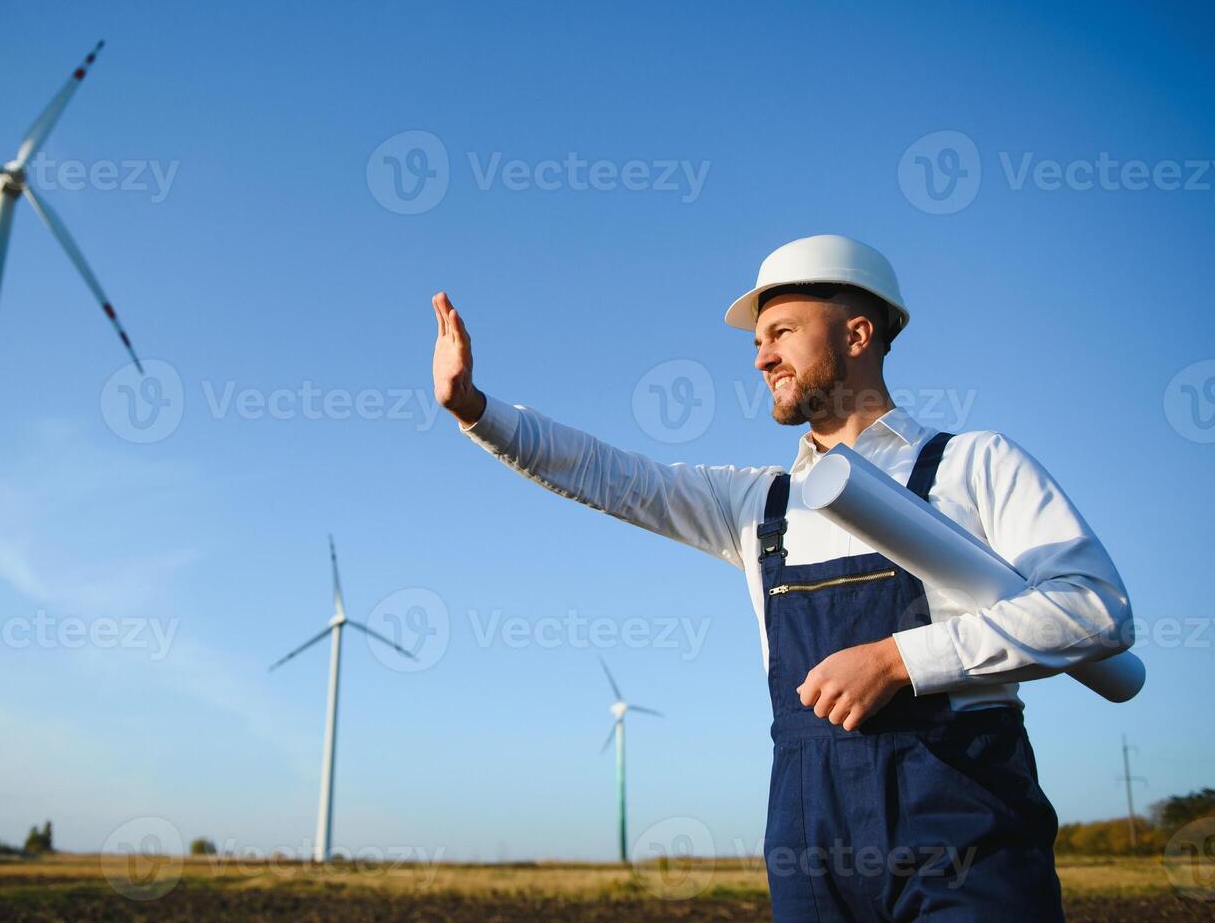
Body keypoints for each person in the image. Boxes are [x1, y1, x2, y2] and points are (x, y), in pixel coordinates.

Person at [429, 234, 1132, 921]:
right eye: (758, 341)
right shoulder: (756, 501)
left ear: (857, 334)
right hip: (809, 828)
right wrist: (475, 411)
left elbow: (1094, 609)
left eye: (782, 332)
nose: (762, 357)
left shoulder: (974, 464)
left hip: (960, 814)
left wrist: (897, 660)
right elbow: (611, 477)